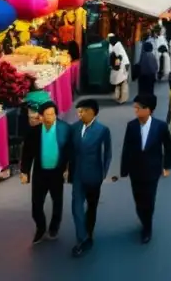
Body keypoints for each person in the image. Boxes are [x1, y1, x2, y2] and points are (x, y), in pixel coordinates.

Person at [115, 94, 171, 243]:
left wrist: (167, 166)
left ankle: (147, 227)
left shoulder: (160, 126)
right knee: (138, 200)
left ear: (149, 110)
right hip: (136, 170)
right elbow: (126, 147)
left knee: (149, 200)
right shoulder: (132, 126)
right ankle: (143, 217)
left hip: (152, 170)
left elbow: (167, 146)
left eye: (138, 108)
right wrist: (124, 169)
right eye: (135, 108)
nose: (135, 111)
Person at [19, 101, 71, 244]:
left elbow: (70, 151)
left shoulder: (65, 129)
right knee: (36, 204)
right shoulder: (34, 132)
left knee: (57, 201)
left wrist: (68, 169)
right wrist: (24, 172)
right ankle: (40, 227)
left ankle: (54, 227)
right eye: (47, 114)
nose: (50, 117)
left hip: (57, 173)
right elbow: (27, 154)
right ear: (41, 117)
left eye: (53, 114)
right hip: (40, 173)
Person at [70, 99, 112, 258]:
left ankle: (89, 231)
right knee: (76, 207)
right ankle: (82, 238)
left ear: (91, 112)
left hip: (94, 175)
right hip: (78, 175)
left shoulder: (102, 130)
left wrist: (104, 173)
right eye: (78, 111)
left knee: (92, 206)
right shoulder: (74, 128)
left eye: (82, 111)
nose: (79, 114)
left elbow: (107, 153)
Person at [108, 34, 131, 104]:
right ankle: (119, 97)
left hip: (122, 66)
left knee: (122, 82)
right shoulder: (117, 45)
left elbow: (120, 57)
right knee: (120, 82)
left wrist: (116, 65)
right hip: (122, 66)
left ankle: (122, 99)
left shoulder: (117, 46)